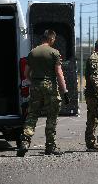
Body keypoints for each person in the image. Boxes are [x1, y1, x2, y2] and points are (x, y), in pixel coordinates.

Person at [17, 29, 70, 157]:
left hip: (35, 87)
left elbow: (26, 74)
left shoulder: (32, 53)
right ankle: (50, 147)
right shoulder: (54, 53)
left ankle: (24, 142)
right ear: (51, 39)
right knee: (51, 117)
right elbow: (59, 73)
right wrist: (65, 91)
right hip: (50, 88)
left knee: (32, 115)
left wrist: (34, 82)